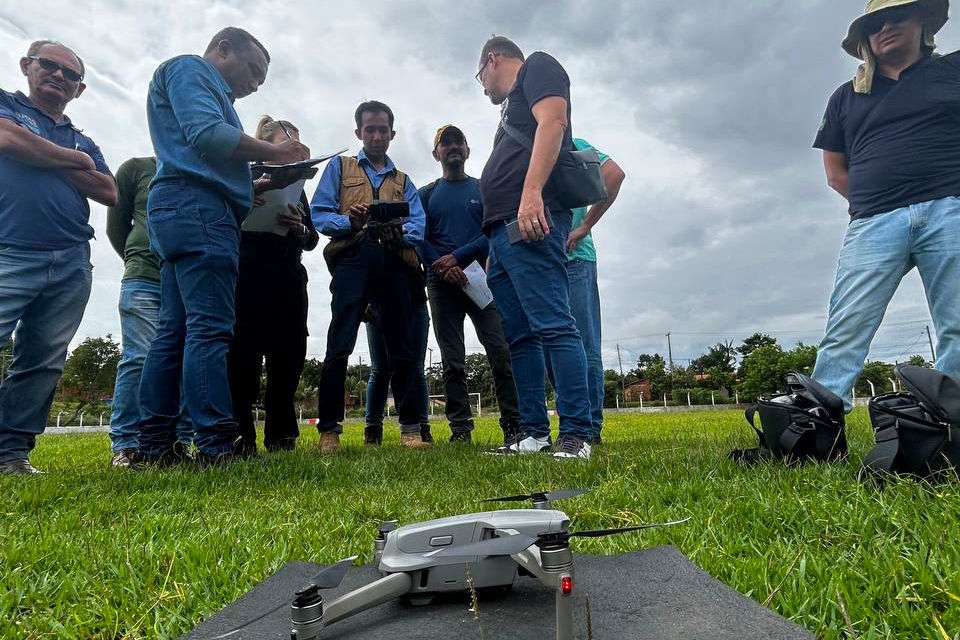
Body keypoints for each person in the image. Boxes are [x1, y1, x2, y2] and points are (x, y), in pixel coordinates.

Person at [137, 27, 309, 466]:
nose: (255, 83)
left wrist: (260, 184)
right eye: (253, 70)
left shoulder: (211, 95)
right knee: (210, 329)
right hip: (200, 210)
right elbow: (209, 137)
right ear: (224, 48)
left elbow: (206, 154)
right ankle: (216, 444)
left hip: (181, 208)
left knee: (175, 330)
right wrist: (279, 153)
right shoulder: (192, 70)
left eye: (262, 79)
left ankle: (155, 444)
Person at [811, 0, 960, 410]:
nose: (885, 28)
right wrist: (874, 201)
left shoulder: (953, 70)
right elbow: (835, 172)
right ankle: (819, 420)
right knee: (847, 324)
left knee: (957, 321)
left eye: (896, 17)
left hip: (950, 209)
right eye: (874, 24)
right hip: (874, 220)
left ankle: (949, 420)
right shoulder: (846, 97)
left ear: (922, 20)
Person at [0, 40, 116, 475]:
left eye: (70, 74)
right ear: (26, 65)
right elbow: (7, 139)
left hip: (70, 258)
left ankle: (10, 453)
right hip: (9, 248)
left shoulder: (84, 137)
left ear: (79, 89)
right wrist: (75, 161)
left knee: (44, 359)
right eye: (50, 65)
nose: (59, 76)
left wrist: (41, 153)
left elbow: (108, 190)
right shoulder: (8, 106)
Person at [475, 36, 594, 459]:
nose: (483, 87)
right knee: (521, 338)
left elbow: (554, 123)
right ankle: (533, 434)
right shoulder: (511, 107)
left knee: (554, 324)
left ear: (492, 60)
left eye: (480, 77)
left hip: (530, 219)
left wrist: (531, 194)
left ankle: (576, 433)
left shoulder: (538, 66)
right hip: (502, 232)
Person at [310, 100, 427, 453]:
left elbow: (418, 225)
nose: (376, 136)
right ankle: (328, 432)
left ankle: (410, 430)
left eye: (382, 130)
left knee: (402, 346)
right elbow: (319, 214)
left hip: (393, 260)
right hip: (352, 258)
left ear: (392, 134)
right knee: (340, 341)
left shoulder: (403, 180)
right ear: (359, 132)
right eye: (370, 129)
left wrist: (399, 232)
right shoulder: (340, 167)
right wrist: (351, 221)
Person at [420, 124, 521, 444]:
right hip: (441, 283)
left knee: (501, 351)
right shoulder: (426, 194)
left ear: (467, 150)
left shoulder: (483, 189)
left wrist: (458, 257)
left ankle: (513, 424)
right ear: (436, 153)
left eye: (458, 142)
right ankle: (461, 429)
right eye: (445, 143)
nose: (452, 147)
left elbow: (494, 232)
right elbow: (418, 237)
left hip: (482, 280)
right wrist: (442, 266)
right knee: (452, 360)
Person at [228, 116, 319, 455]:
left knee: (288, 356)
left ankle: (282, 436)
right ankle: (241, 436)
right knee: (242, 358)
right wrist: (243, 201)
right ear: (267, 145)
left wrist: (300, 228)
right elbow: (219, 220)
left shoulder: (297, 185)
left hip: (288, 277)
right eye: (288, 145)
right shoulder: (241, 177)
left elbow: (312, 239)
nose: (295, 153)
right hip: (246, 276)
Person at [106, 156, 193, 467]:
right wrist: (139, 254)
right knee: (140, 357)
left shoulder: (202, 171)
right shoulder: (136, 169)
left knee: (185, 359)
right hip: (144, 277)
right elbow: (116, 227)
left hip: (186, 280)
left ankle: (178, 441)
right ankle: (127, 443)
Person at [555, 138, 625, 445]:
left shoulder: (572, 143)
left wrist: (584, 225)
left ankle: (590, 427)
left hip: (576, 259)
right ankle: (572, 419)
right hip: (546, 263)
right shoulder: (528, 150)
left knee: (584, 344)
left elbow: (613, 173)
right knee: (554, 347)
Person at [362, 300, 432, 446]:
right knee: (379, 369)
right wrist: (364, 299)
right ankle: (372, 431)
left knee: (417, 369)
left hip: (415, 301)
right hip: (376, 303)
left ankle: (422, 429)